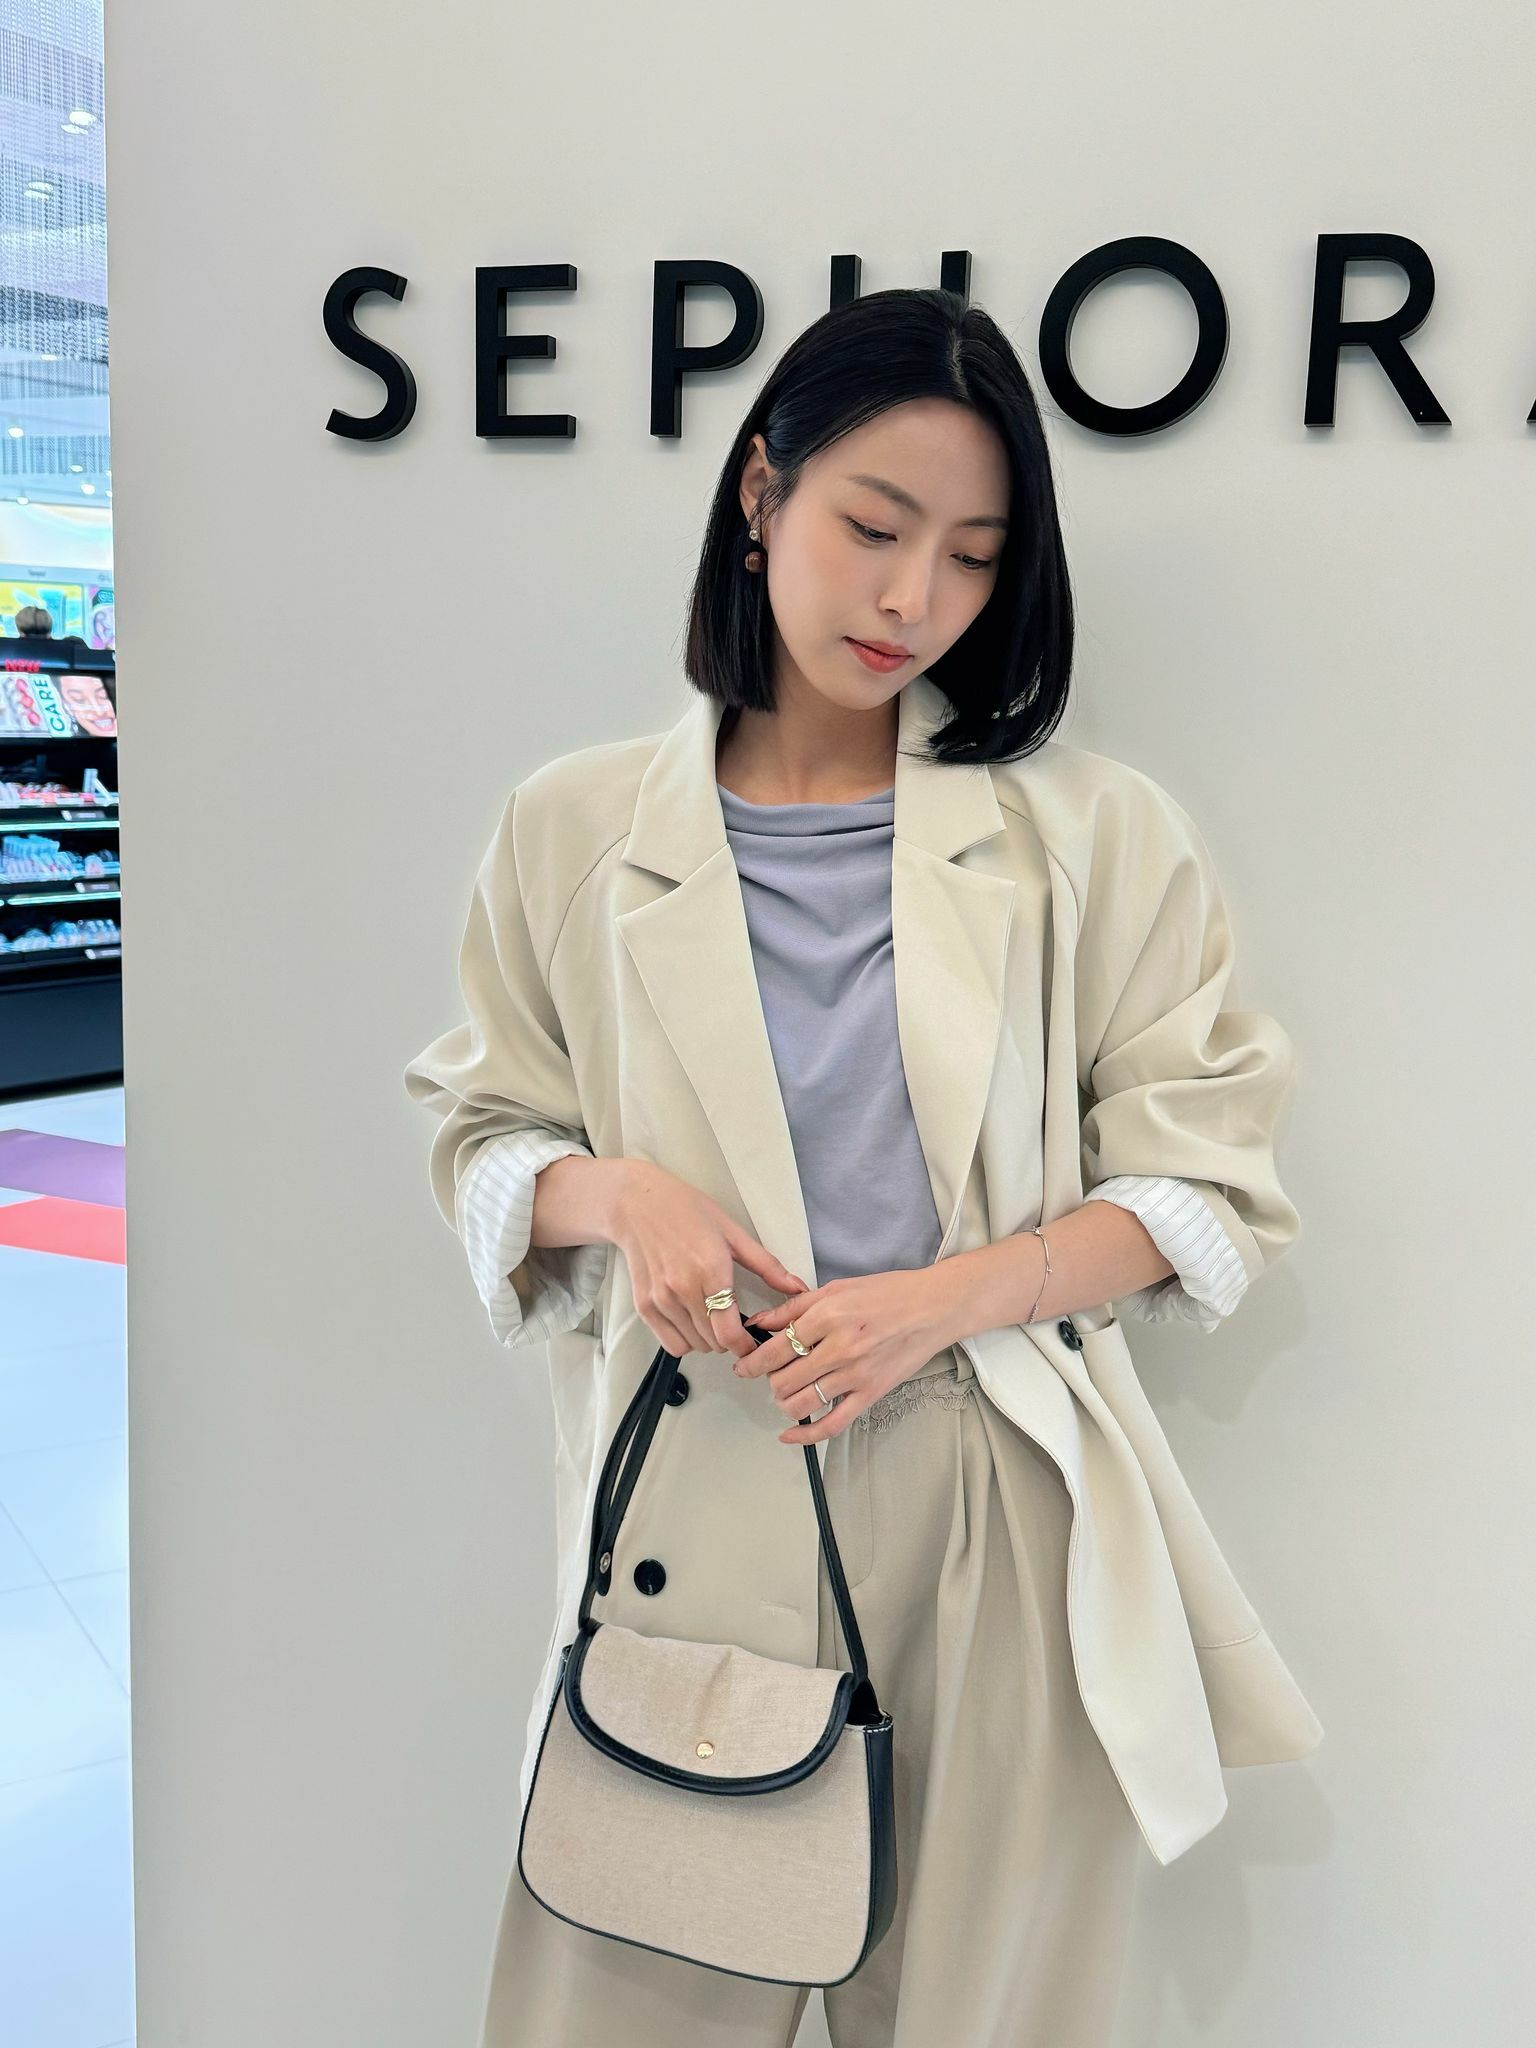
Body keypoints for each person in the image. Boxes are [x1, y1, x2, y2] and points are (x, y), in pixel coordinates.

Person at [403, 285, 1319, 2047]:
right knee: (626, 2005)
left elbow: (1207, 1182)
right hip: (699, 1477)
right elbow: (484, 1129)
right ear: (762, 493)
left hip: (993, 1492)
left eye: (973, 557)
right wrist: (624, 1196)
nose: (913, 601)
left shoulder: (1092, 832)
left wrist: (943, 1303)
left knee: (990, 2015)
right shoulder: (573, 826)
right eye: (874, 528)